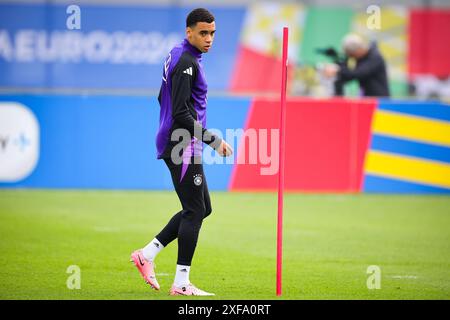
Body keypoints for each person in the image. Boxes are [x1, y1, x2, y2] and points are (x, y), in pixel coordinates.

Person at [130, 8, 233, 296]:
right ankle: (181, 282)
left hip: (181, 141)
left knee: (202, 208)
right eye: (203, 33)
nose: (209, 38)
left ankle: (147, 255)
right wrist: (212, 140)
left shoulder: (177, 54)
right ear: (189, 32)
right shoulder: (186, 62)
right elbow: (180, 113)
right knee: (195, 210)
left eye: (212, 33)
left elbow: (161, 97)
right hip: (182, 144)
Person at [323, 34, 390, 97]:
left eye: (351, 55)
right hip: (367, 98)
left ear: (358, 50)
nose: (351, 57)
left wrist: (337, 69)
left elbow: (358, 73)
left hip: (380, 101)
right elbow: (348, 75)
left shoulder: (375, 57)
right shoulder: (361, 57)